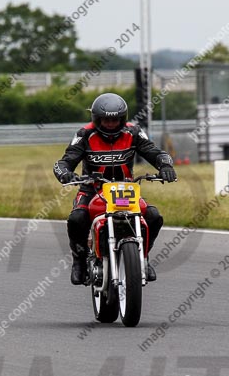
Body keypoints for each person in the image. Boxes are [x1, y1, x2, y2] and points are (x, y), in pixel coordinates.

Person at [53, 92, 177, 285]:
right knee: (77, 218)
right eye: (106, 120)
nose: (111, 124)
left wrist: (165, 166)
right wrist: (65, 173)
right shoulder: (84, 134)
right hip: (91, 190)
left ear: (123, 119)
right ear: (96, 119)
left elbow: (155, 152)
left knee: (153, 215)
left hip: (126, 190)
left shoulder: (134, 132)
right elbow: (64, 162)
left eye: (115, 120)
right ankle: (79, 261)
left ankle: (143, 258)